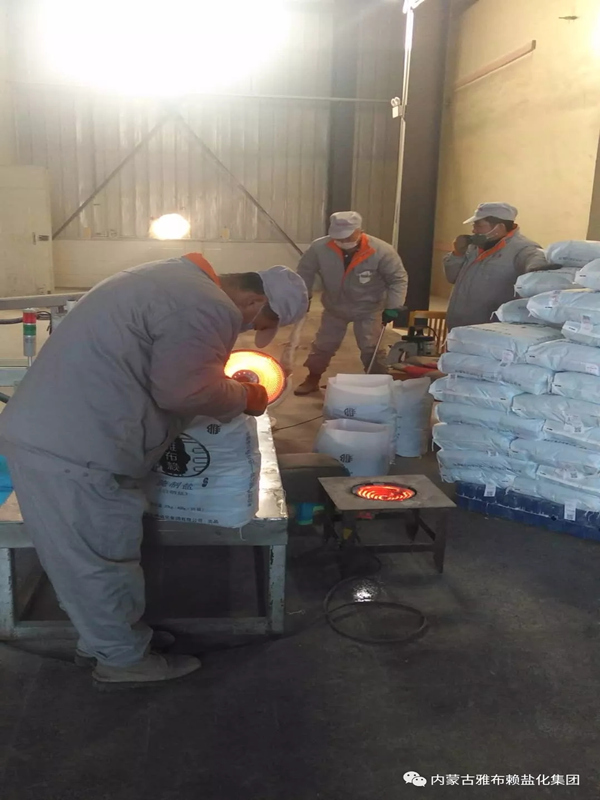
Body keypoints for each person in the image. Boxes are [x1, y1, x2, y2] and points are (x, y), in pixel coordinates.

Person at [0, 253, 307, 688]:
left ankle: (109, 640)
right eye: (256, 324)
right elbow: (184, 391)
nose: (243, 331)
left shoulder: (169, 278)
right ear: (254, 303)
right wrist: (246, 396)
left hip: (64, 433)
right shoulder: (209, 305)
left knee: (94, 552)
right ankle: (122, 661)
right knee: (100, 558)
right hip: (74, 447)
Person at [294, 211, 408, 395]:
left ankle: (378, 383)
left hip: (369, 308)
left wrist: (393, 306)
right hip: (335, 307)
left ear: (360, 230)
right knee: (323, 345)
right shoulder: (319, 248)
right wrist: (303, 297)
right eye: (338, 237)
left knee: (371, 347)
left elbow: (398, 279)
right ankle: (312, 378)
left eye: (348, 236)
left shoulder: (381, 250)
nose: (343, 240)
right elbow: (304, 272)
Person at [444, 202, 549, 330]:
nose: (474, 230)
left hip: (490, 330)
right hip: (458, 326)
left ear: (499, 227)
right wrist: (457, 254)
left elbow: (536, 258)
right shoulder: (473, 247)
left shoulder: (522, 248)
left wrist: (537, 268)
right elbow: (452, 277)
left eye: (479, 225)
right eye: (474, 225)